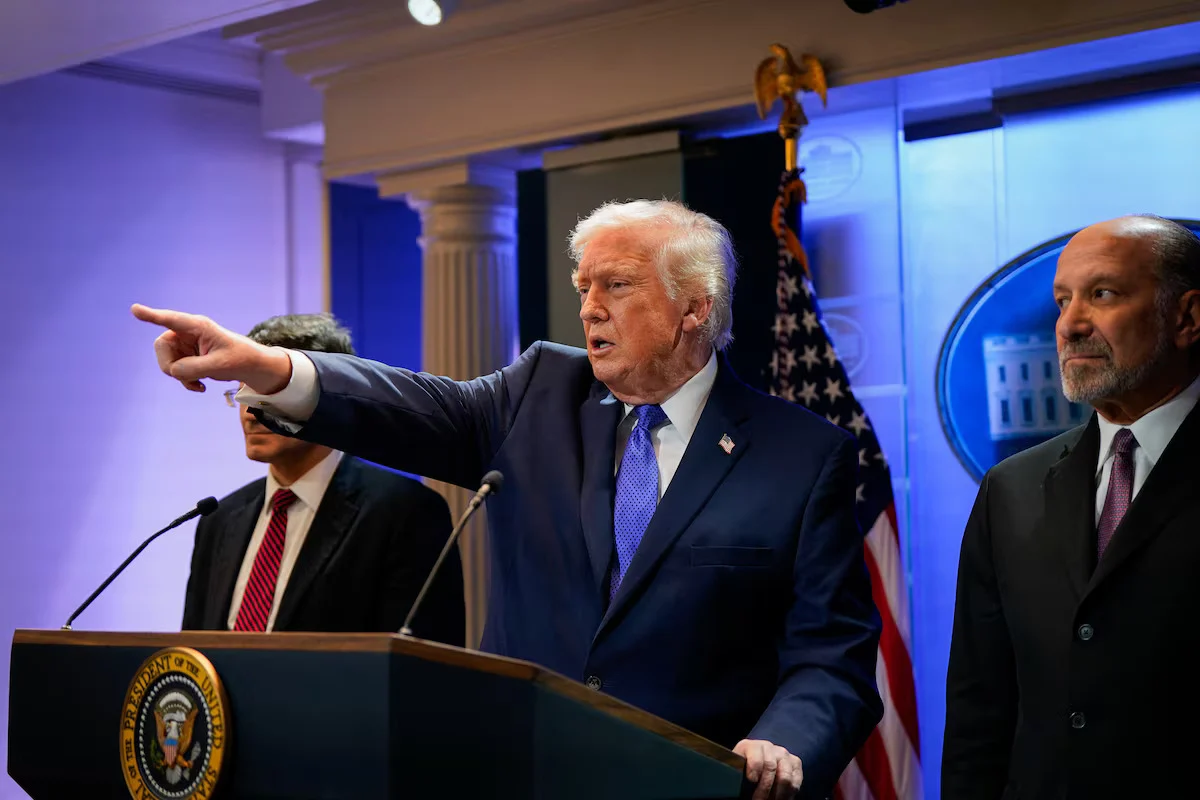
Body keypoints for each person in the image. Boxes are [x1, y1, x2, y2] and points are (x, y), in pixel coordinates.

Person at [135, 200, 882, 799]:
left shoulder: (801, 456)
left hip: (695, 782)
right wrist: (265, 367)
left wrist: (784, 741)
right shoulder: (539, 392)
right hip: (524, 773)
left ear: (694, 307)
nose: (590, 309)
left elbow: (831, 658)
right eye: (583, 287)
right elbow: (410, 405)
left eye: (617, 286)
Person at [943, 215, 1200, 799]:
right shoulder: (1010, 490)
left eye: (1102, 294)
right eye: (1063, 301)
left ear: (1187, 318)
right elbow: (979, 716)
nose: (1070, 325)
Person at [180, 313, 465, 645]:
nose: (249, 413)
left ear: (323, 398)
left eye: (266, 391)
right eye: (241, 391)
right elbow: (191, 658)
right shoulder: (219, 518)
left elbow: (418, 663)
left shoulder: (404, 513)